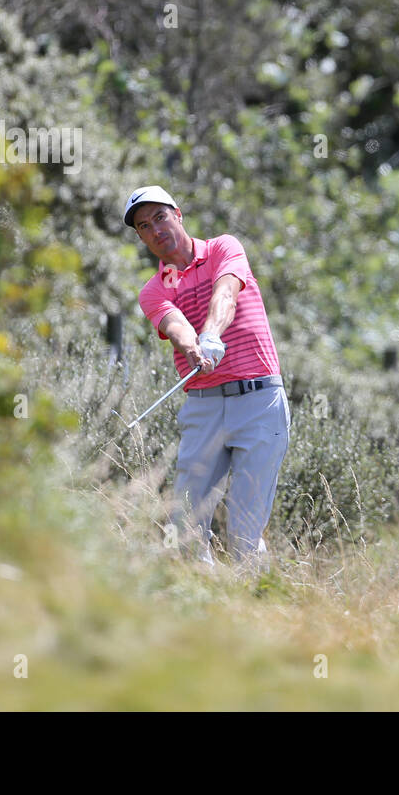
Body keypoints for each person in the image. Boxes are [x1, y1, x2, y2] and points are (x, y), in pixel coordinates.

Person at [123, 185, 290, 570]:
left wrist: (212, 333)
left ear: (178, 214)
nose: (155, 230)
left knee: (244, 534)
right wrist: (194, 346)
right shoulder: (151, 291)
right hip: (204, 408)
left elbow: (226, 294)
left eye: (160, 217)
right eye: (144, 226)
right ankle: (205, 616)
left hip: (258, 400)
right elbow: (175, 324)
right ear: (141, 237)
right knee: (185, 527)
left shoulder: (222, 248)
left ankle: (258, 606)